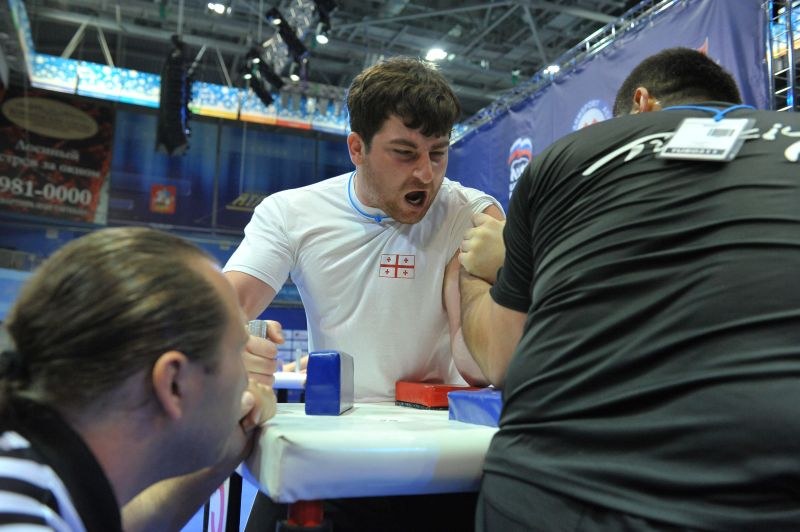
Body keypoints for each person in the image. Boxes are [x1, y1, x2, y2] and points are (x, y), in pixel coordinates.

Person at [460, 47, 800, 530]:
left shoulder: (570, 155)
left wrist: (476, 276)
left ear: (642, 104)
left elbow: (500, 358)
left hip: (565, 493)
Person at [225, 56, 503, 530]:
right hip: (334, 445)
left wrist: (509, 275)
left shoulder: (472, 215)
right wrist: (237, 348)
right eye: (404, 152)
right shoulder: (293, 213)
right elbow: (225, 309)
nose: (425, 175)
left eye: (437, 153)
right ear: (357, 148)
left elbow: (480, 363)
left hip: (441, 454)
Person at [0, 227, 276, 531]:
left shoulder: (33, 476)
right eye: (239, 351)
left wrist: (226, 443)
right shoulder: (25, 517)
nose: (248, 378)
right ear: (174, 384)